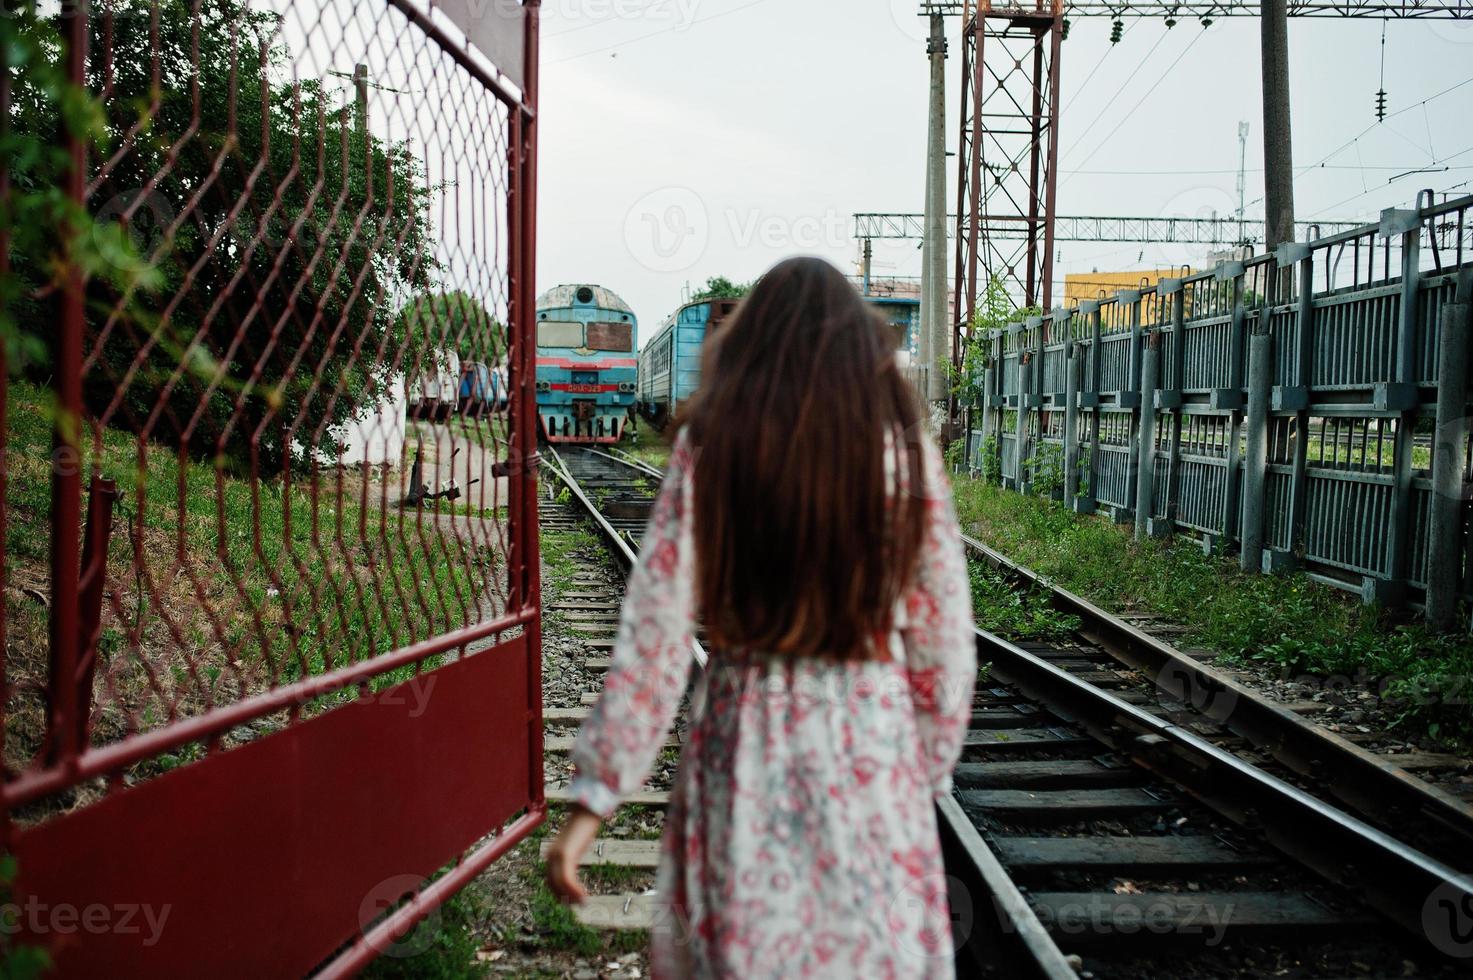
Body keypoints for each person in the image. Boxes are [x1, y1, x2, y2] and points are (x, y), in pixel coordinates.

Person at [545, 257, 977, 978]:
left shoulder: (710, 451)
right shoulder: (907, 459)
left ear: (748, 345)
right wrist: (920, 769)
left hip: (742, 741)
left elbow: (652, 641)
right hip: (874, 749)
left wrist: (595, 799)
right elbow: (944, 647)